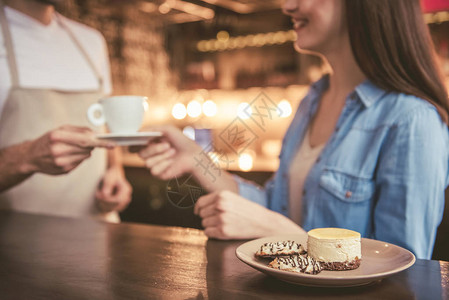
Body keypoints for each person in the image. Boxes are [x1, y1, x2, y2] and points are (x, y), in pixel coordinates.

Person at [138, 0, 449, 259]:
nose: (289, 5)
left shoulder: (412, 120)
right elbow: (276, 208)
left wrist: (285, 236)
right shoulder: (312, 101)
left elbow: (403, 269)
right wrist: (196, 159)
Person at [0, 0, 132, 222]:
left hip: (99, 234)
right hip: (16, 245)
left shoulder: (92, 42)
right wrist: (28, 156)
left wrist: (115, 170)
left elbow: (103, 122)